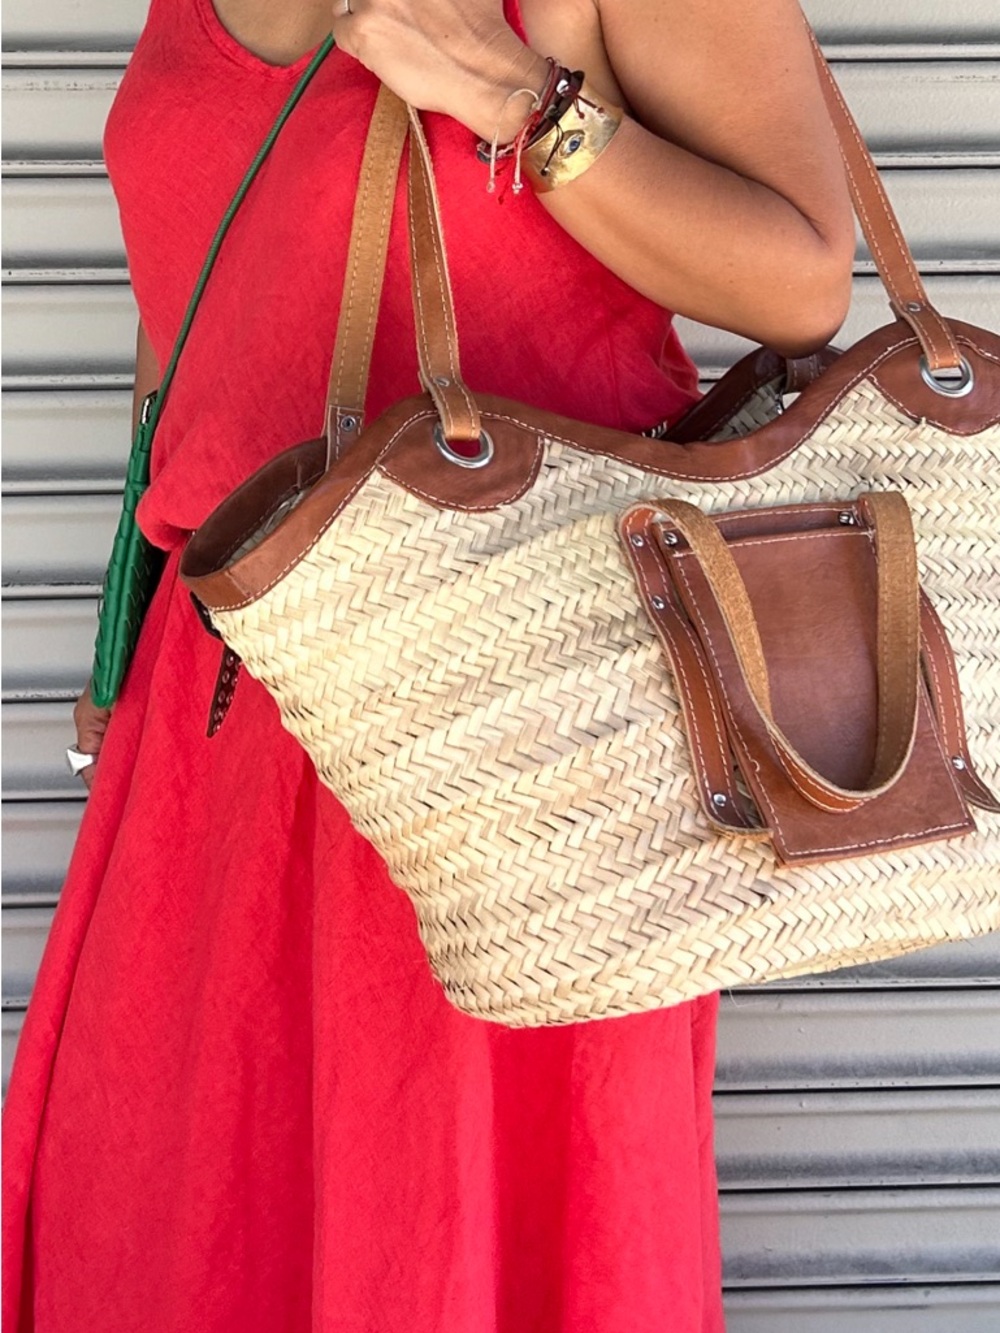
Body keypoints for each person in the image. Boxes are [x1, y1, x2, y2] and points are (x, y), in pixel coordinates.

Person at [3, 1, 853, 1329]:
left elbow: (803, 277)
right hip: (219, 721)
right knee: (179, 1233)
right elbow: (190, 312)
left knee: (449, 1246)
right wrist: (122, 642)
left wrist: (519, 96)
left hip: (508, 734)